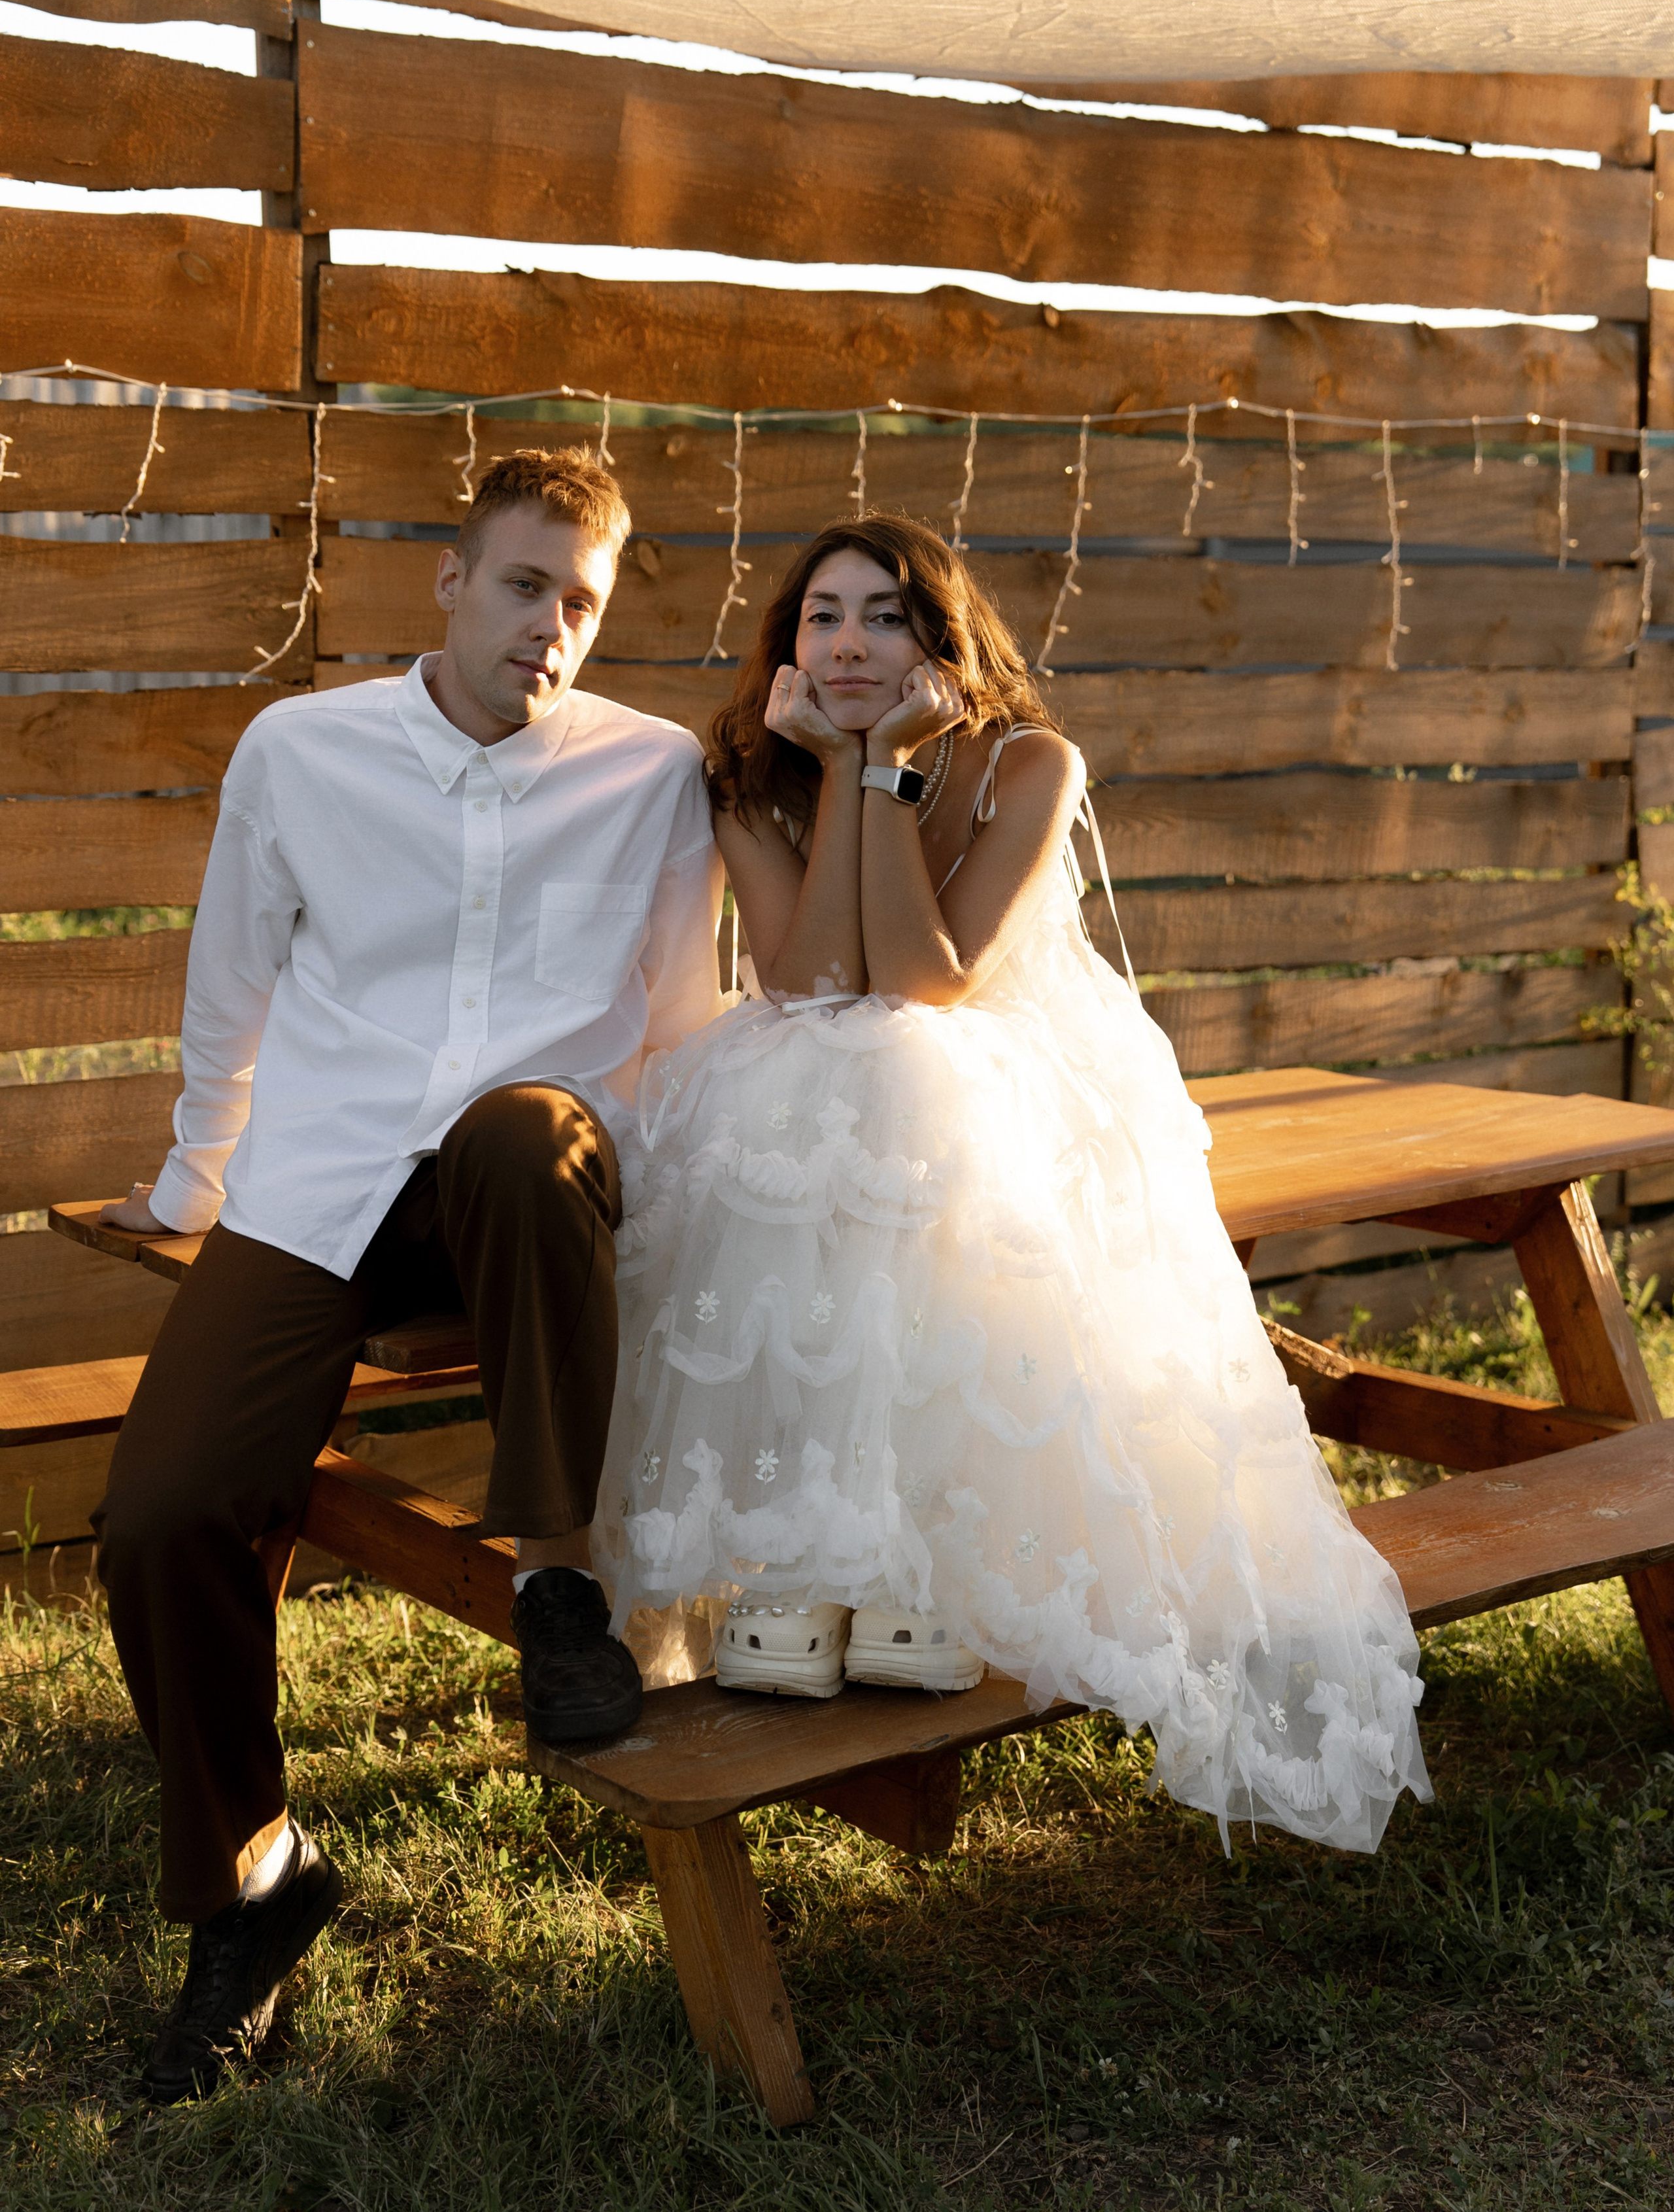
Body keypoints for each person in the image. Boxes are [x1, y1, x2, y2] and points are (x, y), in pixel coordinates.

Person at [593, 512, 1430, 1856]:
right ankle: (805, 1568)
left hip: (1002, 1086)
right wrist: (833, 767)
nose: (849, 641)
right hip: (833, 1070)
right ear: (783, 644)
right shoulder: (746, 773)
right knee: (810, 1092)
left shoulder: (1029, 761)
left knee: (907, 1076)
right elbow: (809, 985)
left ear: (942, 639)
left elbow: (931, 981)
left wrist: (883, 776)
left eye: (885, 615)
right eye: (820, 617)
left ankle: (908, 1577)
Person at [94, 447, 721, 2102]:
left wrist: (640, 1206)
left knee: (528, 1130)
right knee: (161, 1514)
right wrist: (193, 1178)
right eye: (525, 586)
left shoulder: (652, 774)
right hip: (319, 1179)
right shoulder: (301, 750)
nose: (552, 629)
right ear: (446, 582)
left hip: (526, 1186)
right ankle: (256, 1883)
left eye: (581, 603)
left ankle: (557, 1586)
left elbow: (677, 1029)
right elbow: (233, 975)